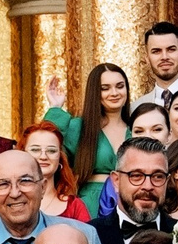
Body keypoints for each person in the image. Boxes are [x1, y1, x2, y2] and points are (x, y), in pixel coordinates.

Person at [47, 62, 131, 216]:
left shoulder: (137, 128)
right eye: (105, 88)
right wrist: (55, 108)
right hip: (91, 204)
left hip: (130, 201)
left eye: (120, 86)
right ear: (95, 93)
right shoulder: (80, 127)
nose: (114, 93)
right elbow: (47, 143)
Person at [92, 137, 172, 244]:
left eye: (157, 176)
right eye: (136, 176)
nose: (147, 186)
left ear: (167, 181)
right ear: (115, 180)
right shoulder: (91, 235)